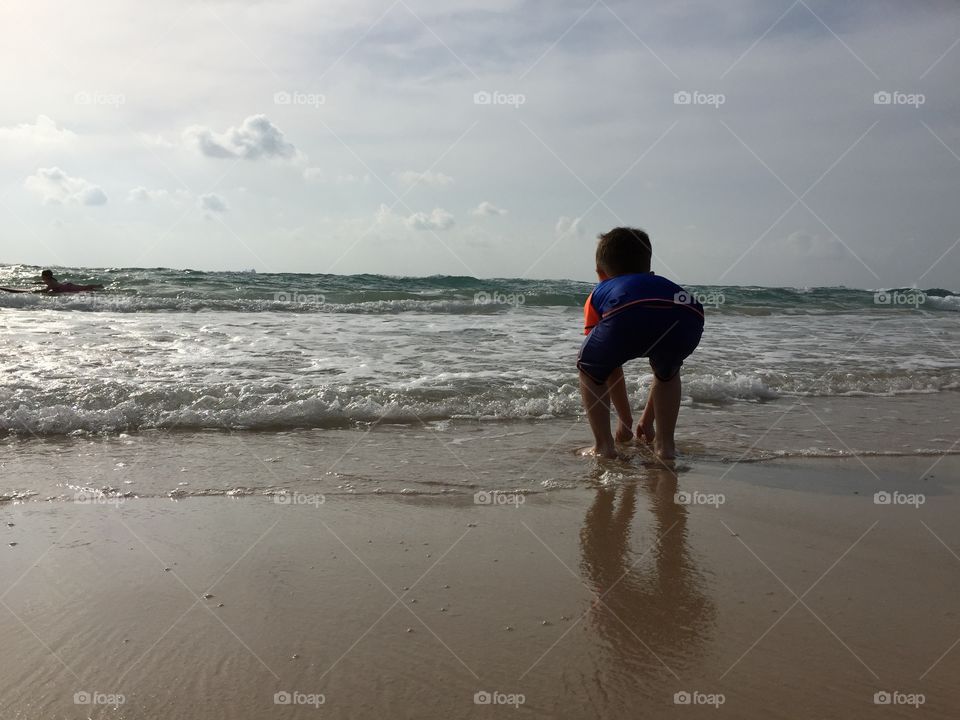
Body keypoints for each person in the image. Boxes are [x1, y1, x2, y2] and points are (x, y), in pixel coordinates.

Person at [577, 227, 704, 460]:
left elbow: (609, 368)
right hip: (688, 314)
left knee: (590, 367)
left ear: (600, 272)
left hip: (627, 312)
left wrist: (625, 420)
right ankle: (665, 447)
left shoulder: (601, 291)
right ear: (649, 270)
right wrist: (646, 419)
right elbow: (663, 376)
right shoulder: (658, 282)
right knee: (667, 371)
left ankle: (603, 447)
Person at [35, 269, 104, 294]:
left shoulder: (51, 282)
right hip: (65, 286)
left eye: (43, 276)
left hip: (68, 287)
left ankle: (98, 286)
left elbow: (45, 291)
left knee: (84, 287)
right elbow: (44, 283)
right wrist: (35, 283)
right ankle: (95, 289)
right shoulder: (49, 280)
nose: (41, 277)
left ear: (47, 276)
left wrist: (34, 292)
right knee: (84, 288)